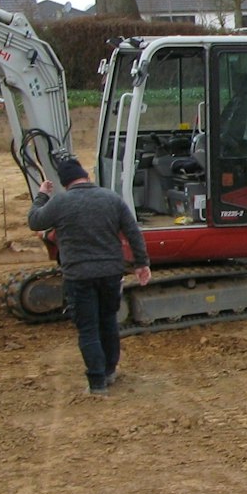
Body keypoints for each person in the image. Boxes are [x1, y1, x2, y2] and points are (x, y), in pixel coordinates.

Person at [27, 156, 151, 396]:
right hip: (110, 274)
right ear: (85, 176)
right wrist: (141, 263)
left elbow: (34, 221)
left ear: (65, 183)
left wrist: (42, 194)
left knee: (88, 328)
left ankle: (97, 383)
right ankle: (109, 370)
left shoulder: (61, 202)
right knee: (108, 322)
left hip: (78, 276)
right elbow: (133, 232)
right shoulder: (111, 198)